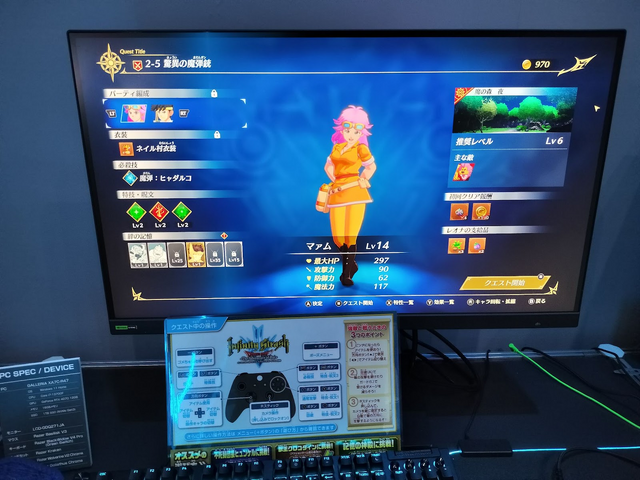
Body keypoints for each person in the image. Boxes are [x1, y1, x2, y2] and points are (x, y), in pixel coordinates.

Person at [324, 105, 376, 286]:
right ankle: (352, 264)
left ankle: (346, 275)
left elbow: (371, 167)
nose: (351, 134)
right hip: (337, 194)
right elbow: (328, 166)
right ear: (342, 130)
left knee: (350, 236)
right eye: (347, 130)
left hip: (356, 193)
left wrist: (363, 179)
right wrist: (337, 181)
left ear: (361, 132)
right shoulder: (337, 148)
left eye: (356, 131)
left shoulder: (361, 149)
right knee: (338, 238)